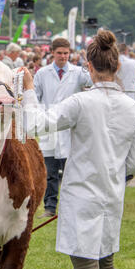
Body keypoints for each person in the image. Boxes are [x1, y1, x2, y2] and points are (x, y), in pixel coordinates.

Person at [21, 30, 135, 269]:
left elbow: (34, 125)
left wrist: (30, 91)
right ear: (116, 67)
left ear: (89, 66)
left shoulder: (81, 102)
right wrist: (115, 176)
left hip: (82, 195)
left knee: (87, 267)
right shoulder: (133, 109)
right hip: (111, 195)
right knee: (106, 264)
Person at [34, 37, 92, 219]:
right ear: (52, 53)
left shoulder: (77, 73)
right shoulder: (42, 74)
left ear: (70, 54)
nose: (63, 57)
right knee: (49, 173)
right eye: (59, 53)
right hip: (50, 128)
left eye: (66, 53)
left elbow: (93, 82)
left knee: (71, 172)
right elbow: (35, 97)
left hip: (70, 129)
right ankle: (50, 207)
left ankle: (70, 207)